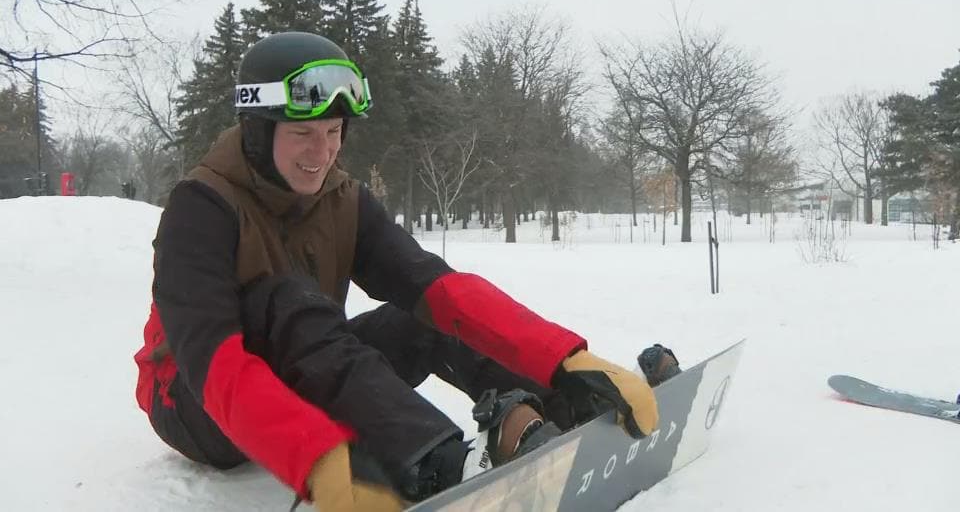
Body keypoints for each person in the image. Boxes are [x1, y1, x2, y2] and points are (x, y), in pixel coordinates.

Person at [133, 31, 679, 511]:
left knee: (422, 319)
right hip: (194, 403)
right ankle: (438, 463)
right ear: (258, 129)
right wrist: (318, 461)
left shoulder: (342, 198)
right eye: (302, 133)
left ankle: (564, 408)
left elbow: (437, 288)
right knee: (288, 301)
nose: (321, 153)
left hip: (292, 363)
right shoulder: (200, 208)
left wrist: (565, 360)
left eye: (334, 132)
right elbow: (215, 365)